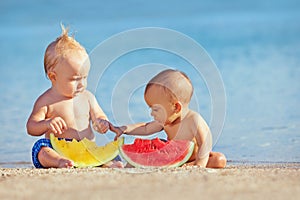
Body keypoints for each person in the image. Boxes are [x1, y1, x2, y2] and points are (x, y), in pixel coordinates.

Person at [26, 25, 123, 168]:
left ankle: (108, 164)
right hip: (59, 149)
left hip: (86, 149)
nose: (81, 84)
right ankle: (59, 162)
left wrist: (101, 123)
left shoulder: (88, 97)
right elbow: (31, 127)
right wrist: (46, 124)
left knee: (113, 152)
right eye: (74, 79)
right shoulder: (46, 101)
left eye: (84, 78)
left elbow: (99, 116)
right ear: (53, 77)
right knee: (41, 149)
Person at [110, 69, 226, 168]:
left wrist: (199, 164)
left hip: (196, 157)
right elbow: (145, 128)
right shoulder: (164, 122)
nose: (151, 114)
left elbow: (205, 143)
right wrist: (123, 129)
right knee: (137, 159)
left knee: (219, 159)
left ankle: (190, 164)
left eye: (155, 109)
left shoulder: (193, 120)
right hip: (171, 156)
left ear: (176, 107)